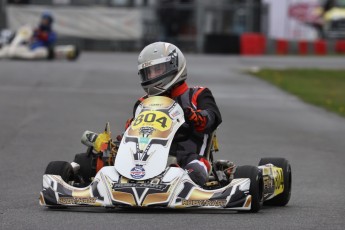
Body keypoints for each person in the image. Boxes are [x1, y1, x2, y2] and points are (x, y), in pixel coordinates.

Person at [125, 42, 222, 186]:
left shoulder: (198, 94)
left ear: (174, 66)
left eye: (157, 70)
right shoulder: (143, 103)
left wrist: (197, 118)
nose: (152, 75)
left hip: (189, 156)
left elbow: (213, 117)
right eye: (149, 72)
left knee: (195, 170)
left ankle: (178, 180)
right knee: (108, 163)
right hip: (149, 157)